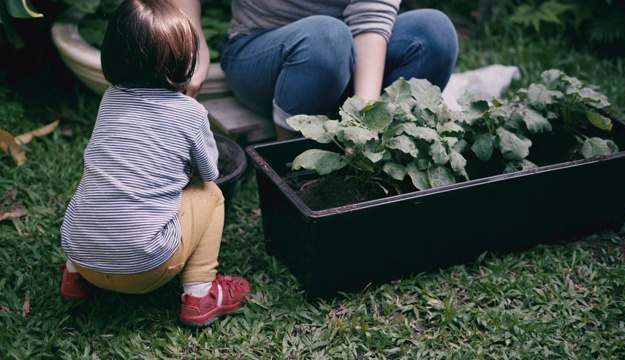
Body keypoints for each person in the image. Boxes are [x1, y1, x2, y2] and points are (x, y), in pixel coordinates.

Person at [59, 0, 251, 328]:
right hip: (145, 270)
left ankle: (75, 279)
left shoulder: (111, 99)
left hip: (82, 255)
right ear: (183, 61)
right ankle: (200, 294)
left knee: (99, 184)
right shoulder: (189, 113)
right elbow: (210, 172)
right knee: (211, 195)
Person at [219, 0, 459, 140]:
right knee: (327, 37)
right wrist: (194, 38)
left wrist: (366, 121)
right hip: (262, 53)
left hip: (351, 52)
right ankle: (288, 170)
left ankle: (386, 156)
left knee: (434, 32)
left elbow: (372, 15)